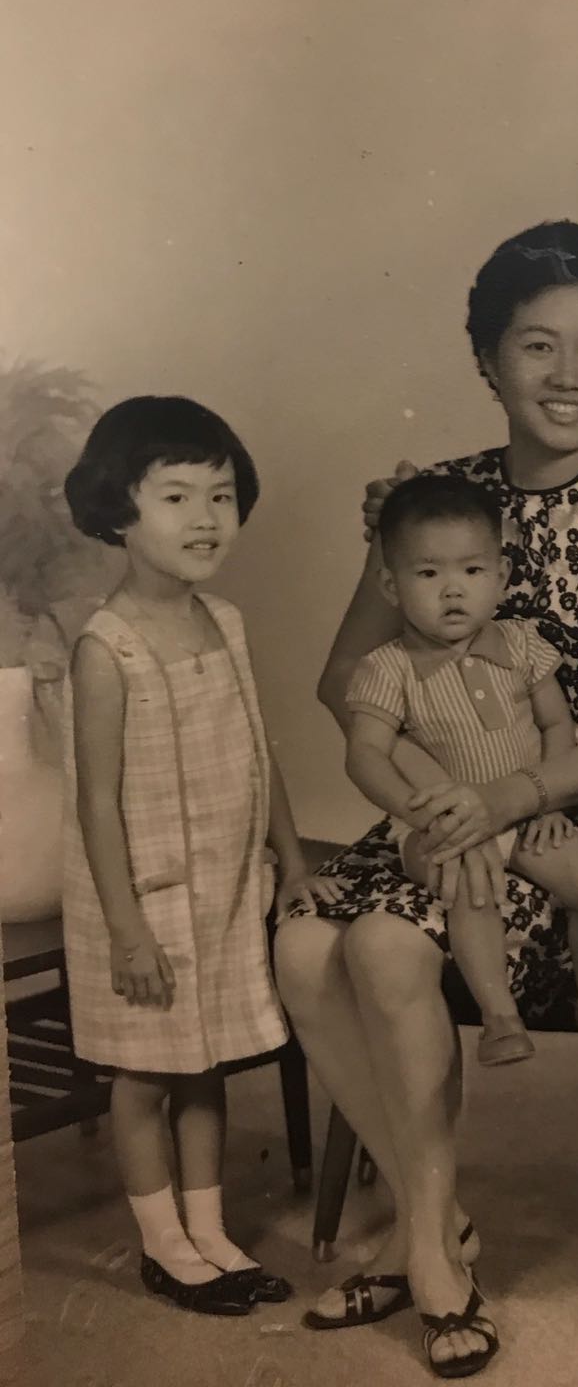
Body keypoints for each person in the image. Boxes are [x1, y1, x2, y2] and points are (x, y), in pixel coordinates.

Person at [275, 220, 578, 1376]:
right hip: (435, 805)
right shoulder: (432, 509)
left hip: (566, 816)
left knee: (385, 949)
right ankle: (435, 1220)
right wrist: (426, 795)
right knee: (302, 945)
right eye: (537, 346)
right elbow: (340, 681)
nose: (568, 376)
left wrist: (500, 798)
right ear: (487, 360)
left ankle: (429, 1258)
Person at [61, 396, 334, 1316]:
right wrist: (127, 930)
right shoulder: (107, 648)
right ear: (117, 511)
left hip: (222, 887)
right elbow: (94, 801)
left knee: (205, 1065)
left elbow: (261, 755)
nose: (206, 519)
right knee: (145, 1075)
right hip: (140, 904)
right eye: (177, 498)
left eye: (220, 496)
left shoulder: (226, 621)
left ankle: (210, 1231)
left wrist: (291, 860)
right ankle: (163, 1243)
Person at [342, 471, 578, 1067]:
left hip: (521, 808)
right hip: (438, 826)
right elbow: (364, 753)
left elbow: (556, 727)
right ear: (390, 586)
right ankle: (499, 1016)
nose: (453, 591)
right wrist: (428, 815)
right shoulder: (389, 669)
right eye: (428, 574)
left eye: (471, 571)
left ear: (501, 577)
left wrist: (550, 801)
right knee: (471, 885)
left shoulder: (520, 646)